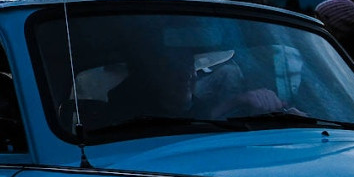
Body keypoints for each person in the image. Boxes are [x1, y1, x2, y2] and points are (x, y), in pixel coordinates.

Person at [107, 47, 286, 122]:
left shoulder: (201, 108)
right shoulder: (128, 123)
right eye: (172, 68)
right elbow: (178, 131)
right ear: (152, 77)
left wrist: (285, 116)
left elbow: (202, 119)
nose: (185, 75)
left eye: (188, 65)